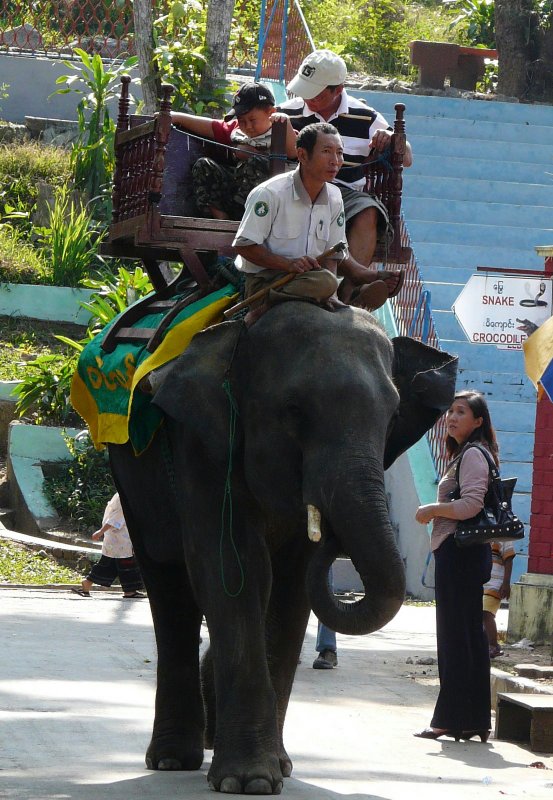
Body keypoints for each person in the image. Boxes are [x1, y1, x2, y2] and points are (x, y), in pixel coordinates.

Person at [278, 49, 413, 305]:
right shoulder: (285, 113)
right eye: (304, 88)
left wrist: (392, 139)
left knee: (369, 210)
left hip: (346, 194)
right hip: (297, 187)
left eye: (315, 92)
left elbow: (406, 157)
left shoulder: (366, 116)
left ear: (337, 90)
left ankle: (351, 291)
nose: (307, 97)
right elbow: (236, 126)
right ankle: (354, 278)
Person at [233, 121, 394, 320]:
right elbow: (244, 246)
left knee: (327, 282)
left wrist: (332, 294)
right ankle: (263, 306)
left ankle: (337, 295)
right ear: (302, 155)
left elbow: (333, 252)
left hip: (311, 279)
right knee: (325, 282)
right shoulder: (269, 193)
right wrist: (287, 264)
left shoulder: (335, 197)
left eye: (339, 153)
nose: (335, 160)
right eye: (326, 151)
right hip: (266, 279)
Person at [413, 390, 495, 742]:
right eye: (450, 411)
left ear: (478, 421)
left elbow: (471, 505)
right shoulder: (467, 453)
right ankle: (473, 719)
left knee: (455, 639)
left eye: (461, 412)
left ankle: (450, 719)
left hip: (460, 553)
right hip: (464, 554)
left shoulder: (474, 454)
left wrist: (432, 510)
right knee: (468, 637)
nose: (452, 416)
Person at [170, 82, 297, 220]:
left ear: (270, 113)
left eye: (252, 119)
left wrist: (285, 123)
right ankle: (221, 219)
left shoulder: (281, 130)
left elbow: (293, 153)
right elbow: (209, 126)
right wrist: (175, 116)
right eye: (242, 121)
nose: (247, 126)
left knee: (254, 162)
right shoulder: (236, 130)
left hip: (267, 199)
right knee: (203, 165)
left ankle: (243, 220)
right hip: (235, 191)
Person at [71, 492, 145, 599]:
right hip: (119, 539)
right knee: (125, 564)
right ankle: (129, 591)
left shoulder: (122, 494)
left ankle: (87, 583)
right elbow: (115, 519)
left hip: (117, 538)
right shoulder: (123, 497)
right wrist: (100, 532)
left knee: (110, 564)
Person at [483, 541, 515, 658]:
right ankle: (483, 645)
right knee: (479, 615)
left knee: (486, 613)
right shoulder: (481, 532)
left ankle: (493, 645)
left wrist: (506, 583)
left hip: (495, 585)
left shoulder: (503, 537)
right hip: (479, 584)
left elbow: (509, 560)